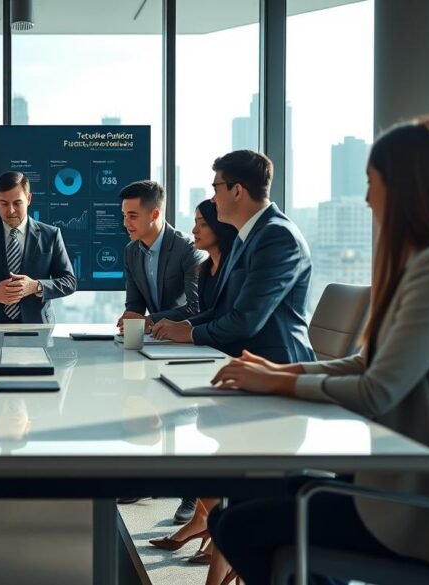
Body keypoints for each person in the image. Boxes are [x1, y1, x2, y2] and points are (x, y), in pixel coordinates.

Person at [207, 116, 429, 584]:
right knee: (247, 505)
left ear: (409, 187)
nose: (368, 197)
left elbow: (377, 391)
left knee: (238, 524)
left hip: (428, 508)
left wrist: (279, 382)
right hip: (408, 482)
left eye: (373, 183)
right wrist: (281, 372)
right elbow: (369, 362)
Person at [151, 150, 315, 365]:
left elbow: (245, 320)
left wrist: (189, 334)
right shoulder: (245, 237)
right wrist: (185, 326)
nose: (212, 198)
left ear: (237, 191)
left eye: (215, 188)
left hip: (276, 367)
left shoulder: (277, 236)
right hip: (241, 359)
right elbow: (222, 312)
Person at [148, 199, 240, 559]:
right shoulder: (207, 269)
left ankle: (209, 524)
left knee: (206, 431)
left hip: (234, 360)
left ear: (220, 228)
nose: (193, 230)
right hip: (214, 356)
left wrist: (183, 328)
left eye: (201, 223)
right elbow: (207, 314)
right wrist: (181, 327)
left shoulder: (231, 267)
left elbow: (220, 319)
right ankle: (205, 521)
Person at [0, 171, 77, 324]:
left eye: (17, 203)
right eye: (4, 204)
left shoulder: (51, 235)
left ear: (28, 199)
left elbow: (69, 282)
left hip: (36, 326)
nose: (11, 211)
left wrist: (36, 286)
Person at [116, 180, 206, 331]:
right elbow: (135, 304)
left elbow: (195, 307)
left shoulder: (187, 249)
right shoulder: (131, 251)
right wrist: (129, 318)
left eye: (132, 216)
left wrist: (149, 320)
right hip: (155, 337)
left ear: (154, 214)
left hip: (185, 338)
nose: (125, 223)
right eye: (124, 215)